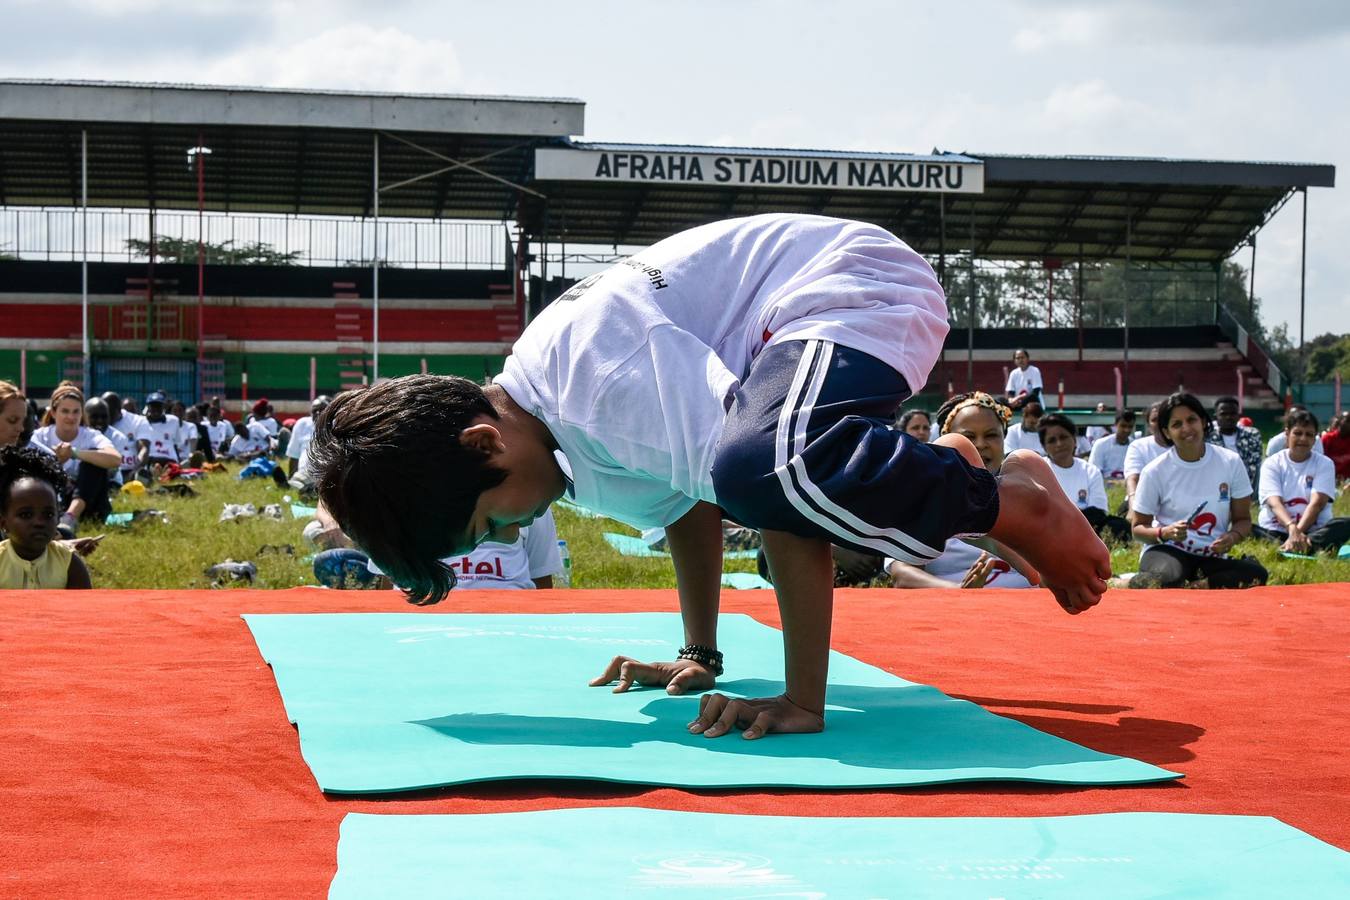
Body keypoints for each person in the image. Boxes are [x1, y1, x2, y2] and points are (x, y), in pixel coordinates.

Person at [309, 214, 1109, 741]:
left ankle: (1009, 502)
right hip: (791, 337)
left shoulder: (597, 382)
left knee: (766, 467)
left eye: (490, 525)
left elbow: (768, 501)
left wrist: (801, 701)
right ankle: (958, 476)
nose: (514, 535)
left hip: (849, 285)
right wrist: (701, 653)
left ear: (484, 445)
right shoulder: (554, 439)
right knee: (748, 465)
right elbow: (693, 500)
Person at [883, 392, 1033, 590]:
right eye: (968, 437)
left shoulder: (1027, 493)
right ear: (948, 441)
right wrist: (957, 591)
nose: (980, 444)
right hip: (950, 611)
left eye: (991, 435)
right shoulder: (921, 498)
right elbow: (902, 573)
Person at [1128, 393, 1267, 589]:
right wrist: (1164, 532)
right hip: (1167, 550)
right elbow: (1137, 530)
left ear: (1203, 422)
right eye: (1176, 424)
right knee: (1164, 578)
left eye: (1191, 420)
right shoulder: (1154, 471)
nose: (1186, 429)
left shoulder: (1230, 462)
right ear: (1167, 432)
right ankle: (1132, 581)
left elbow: (1243, 520)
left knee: (1256, 574)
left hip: (1211, 555)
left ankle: (1199, 585)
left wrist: (1232, 537)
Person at [367, 508, 563, 590]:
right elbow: (388, 585)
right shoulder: (391, 495)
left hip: (508, 626)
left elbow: (541, 583)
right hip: (421, 627)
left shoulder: (525, 497)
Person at [1255, 409, 1350, 554]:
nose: (1303, 439)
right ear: (1287, 434)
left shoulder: (1325, 463)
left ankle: (1299, 544)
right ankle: (1304, 546)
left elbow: (1317, 504)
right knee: (1246, 528)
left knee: (1345, 524)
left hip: (1314, 530)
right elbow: (1274, 503)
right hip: (1276, 530)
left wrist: (1297, 532)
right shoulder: (1272, 463)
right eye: (1298, 433)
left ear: (1315, 438)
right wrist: (1292, 528)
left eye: (1309, 434)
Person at [0, 446, 92, 589]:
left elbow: (85, 608)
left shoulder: (68, 562)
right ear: (3, 523)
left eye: (48, 514)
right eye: (26, 515)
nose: (39, 522)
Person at [33, 383, 121, 527]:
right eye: (65, 411)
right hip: (51, 498)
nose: (71, 417)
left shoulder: (91, 435)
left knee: (94, 461)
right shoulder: (40, 436)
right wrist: (56, 461)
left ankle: (70, 517)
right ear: (54, 413)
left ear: (82, 414)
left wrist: (74, 453)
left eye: (76, 412)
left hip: (88, 505)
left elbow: (116, 459)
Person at [1039, 413, 1130, 543]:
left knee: (1119, 526)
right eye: (1052, 440)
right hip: (1049, 527)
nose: (1059, 444)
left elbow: (1098, 511)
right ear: (1044, 447)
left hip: (1085, 527)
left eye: (1063, 437)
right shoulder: (1039, 469)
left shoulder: (1090, 470)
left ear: (1074, 440)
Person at [1206, 396, 1263, 490]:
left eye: (1233, 413)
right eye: (1224, 414)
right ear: (1216, 416)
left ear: (1238, 416)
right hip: (1215, 488)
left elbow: (1255, 467)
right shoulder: (1207, 437)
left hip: (1245, 487)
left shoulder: (1252, 435)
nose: (1228, 417)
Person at [1123, 401, 1168, 511]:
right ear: (1148, 426)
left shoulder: (1183, 446)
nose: (1159, 423)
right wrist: (1133, 506)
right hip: (1142, 501)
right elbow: (1132, 478)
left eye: (1163, 418)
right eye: (1154, 420)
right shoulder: (1138, 446)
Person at [85, 398, 138, 486]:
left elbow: (110, 471)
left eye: (104, 417)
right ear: (85, 416)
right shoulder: (78, 432)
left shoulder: (118, 437)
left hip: (109, 483)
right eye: (94, 416)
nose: (100, 420)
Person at [135, 391, 182, 470]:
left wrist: (178, 461)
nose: (156, 409)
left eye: (159, 406)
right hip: (150, 459)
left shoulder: (173, 421)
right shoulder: (140, 422)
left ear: (163, 407)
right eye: (153, 406)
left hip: (169, 459)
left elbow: (175, 444)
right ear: (148, 407)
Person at [286, 395, 331, 477]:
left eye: (322, 409)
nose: (317, 413)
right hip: (303, 474)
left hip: (327, 476)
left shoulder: (337, 426)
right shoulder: (302, 424)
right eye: (314, 410)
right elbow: (294, 455)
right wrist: (291, 477)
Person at [1088, 409, 1137, 481]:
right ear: (1116, 425)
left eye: (1130, 427)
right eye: (1123, 426)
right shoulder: (1100, 444)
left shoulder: (1136, 446)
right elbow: (1094, 472)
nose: (1127, 430)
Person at [1319, 412, 1350, 480]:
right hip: (1328, 478)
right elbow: (1320, 460)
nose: (1349, 425)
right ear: (1340, 422)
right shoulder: (1327, 438)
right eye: (1347, 421)